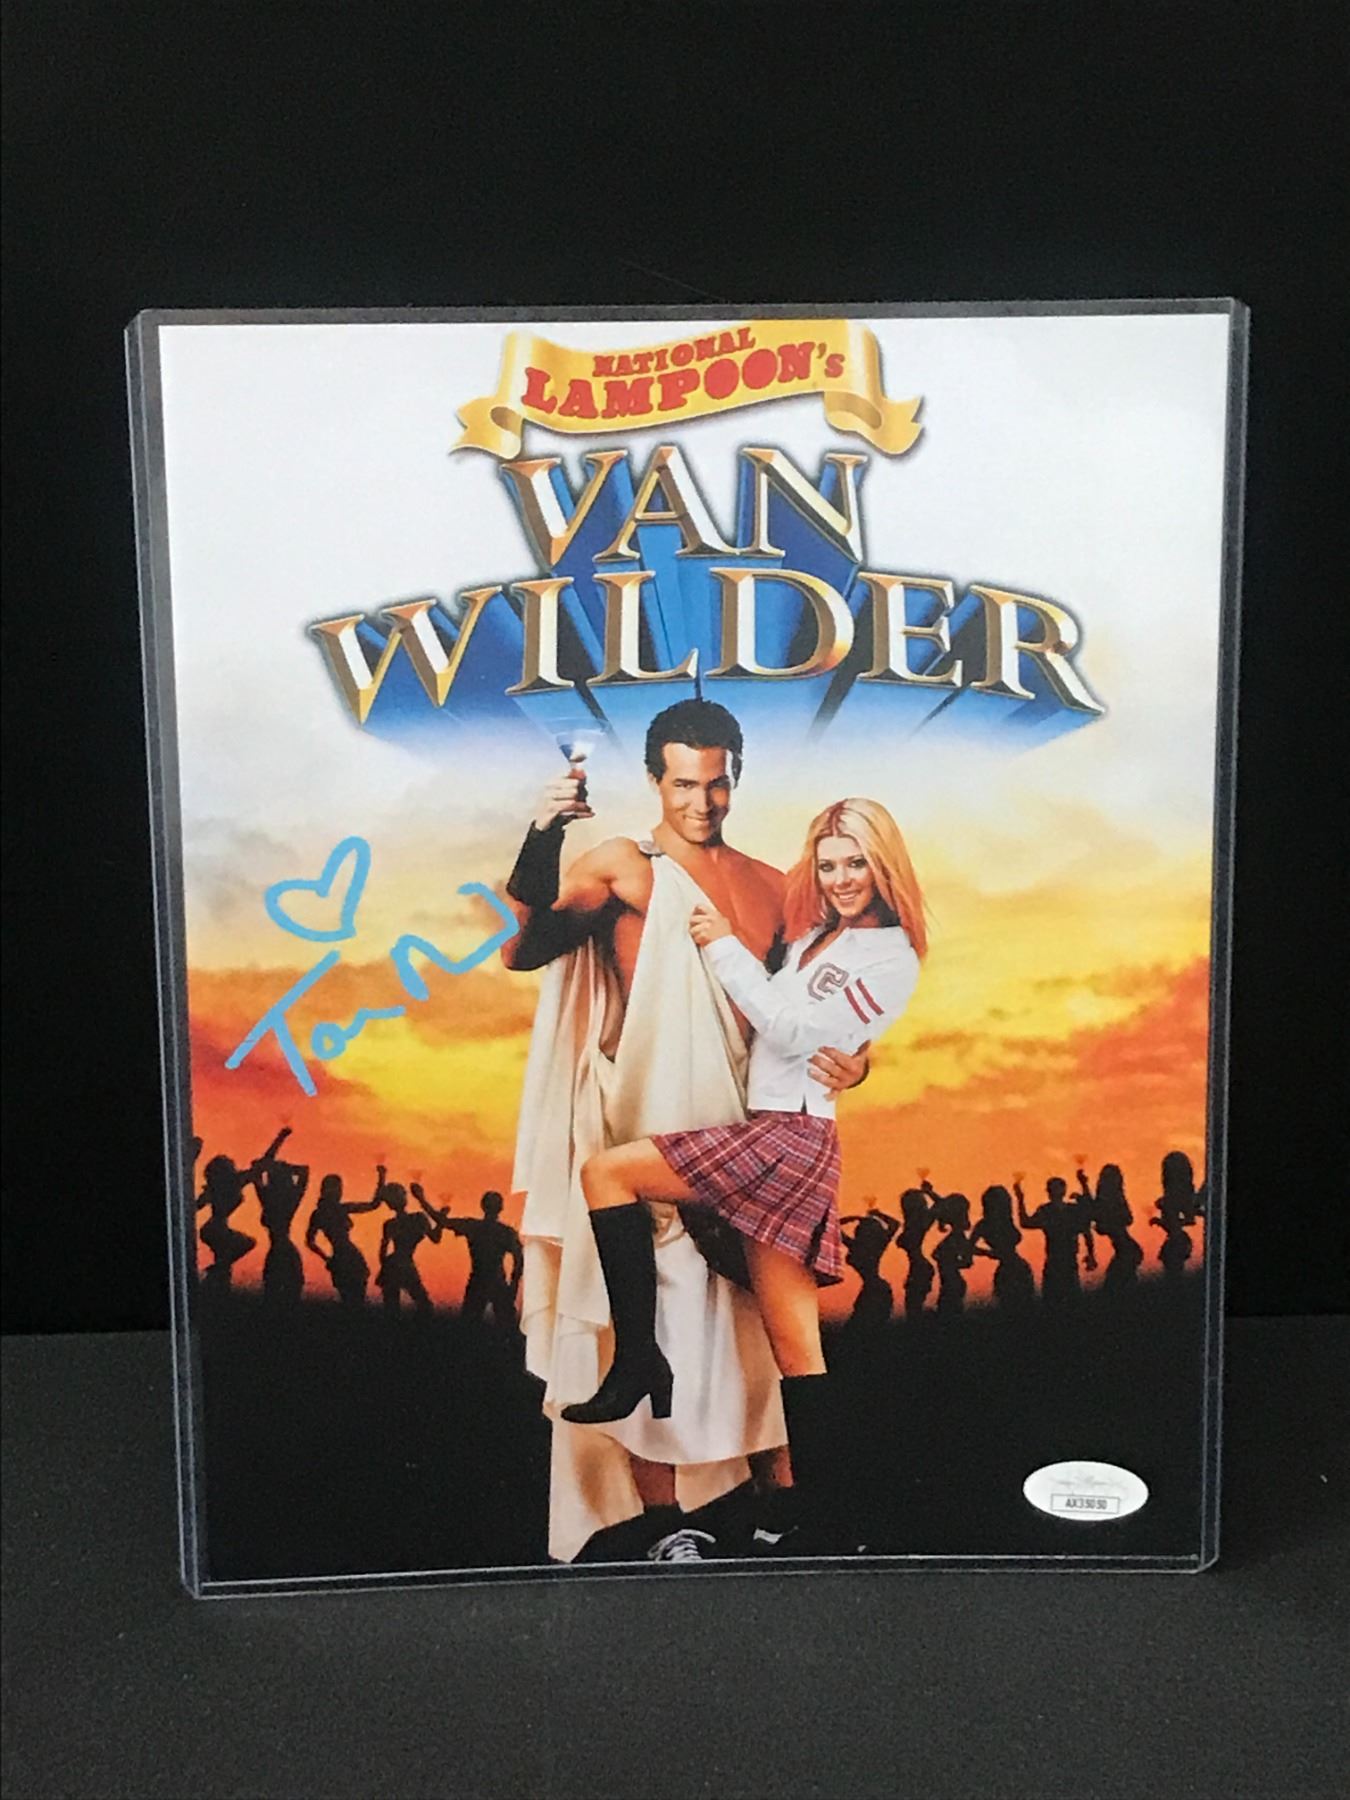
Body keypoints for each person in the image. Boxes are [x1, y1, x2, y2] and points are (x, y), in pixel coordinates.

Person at [503, 699, 869, 1563]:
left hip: (749, 1117)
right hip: (648, 1108)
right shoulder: (625, 866)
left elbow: (822, 1014)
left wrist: (855, 1065)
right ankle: (668, 1523)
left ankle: (781, 1508)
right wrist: (542, 834)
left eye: (716, 785)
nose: (701, 802)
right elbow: (530, 946)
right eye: (682, 785)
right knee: (656, 1310)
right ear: (653, 781)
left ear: (736, 777)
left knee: (752, 1314)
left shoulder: (779, 888)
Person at [561, 798, 925, 1549]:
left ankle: (638, 1364)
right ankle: (828, 1526)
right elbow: (803, 1031)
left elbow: (791, 1030)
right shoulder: (819, 937)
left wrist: (723, 947)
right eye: (829, 865)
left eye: (856, 863)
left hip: (788, 1140)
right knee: (797, 1352)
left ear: (884, 866)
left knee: (609, 1175)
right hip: (776, 1130)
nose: (841, 879)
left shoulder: (893, 956)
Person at [439, 1191, 523, 1328]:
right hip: (496, 1281)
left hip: (480, 1280)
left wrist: (422, 1199)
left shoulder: (473, 1226)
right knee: (506, 1325)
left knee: (470, 1325)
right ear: (501, 1208)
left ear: (483, 1206)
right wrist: (514, 1284)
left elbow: (443, 1222)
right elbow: (519, 1260)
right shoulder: (506, 1232)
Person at [305, 1169, 387, 1307]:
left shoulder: (319, 1213)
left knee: (349, 1299)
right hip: (348, 1255)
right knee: (356, 1299)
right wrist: (382, 1177)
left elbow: (310, 1241)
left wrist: (327, 1258)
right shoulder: (340, 1209)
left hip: (338, 1257)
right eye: (338, 1189)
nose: (340, 1192)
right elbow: (373, 1205)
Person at [1015, 1174, 1096, 1306]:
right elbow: (1026, 1223)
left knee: (1065, 1300)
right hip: (1056, 1261)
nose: (1051, 1191)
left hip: (1065, 1261)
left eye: (1053, 1188)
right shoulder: (1049, 1211)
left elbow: (1086, 1228)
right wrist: (1020, 1199)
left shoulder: (1063, 1211)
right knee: (1058, 1300)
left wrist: (1091, 1254)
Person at [375, 1177, 446, 1314]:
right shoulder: (418, 1218)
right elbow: (435, 1238)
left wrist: (385, 1267)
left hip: (392, 1265)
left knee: (392, 1307)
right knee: (423, 1305)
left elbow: (383, 1251)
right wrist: (441, 1220)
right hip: (404, 1264)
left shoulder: (391, 1224)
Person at [1075, 1162, 1143, 1293]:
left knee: (1114, 1287)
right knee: (1123, 1286)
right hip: (1128, 1249)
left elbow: (1095, 1211)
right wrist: (1083, 1185)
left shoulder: (1113, 1201)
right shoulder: (1117, 1199)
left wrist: (1083, 1187)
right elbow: (1096, 1210)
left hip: (1125, 1250)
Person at [839, 1196, 901, 1332]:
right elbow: (895, 1224)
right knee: (869, 1328)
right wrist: (877, 1214)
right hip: (876, 1288)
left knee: (860, 1328)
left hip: (873, 1289)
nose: (857, 1228)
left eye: (860, 1227)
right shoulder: (876, 1244)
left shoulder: (858, 1246)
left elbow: (834, 1228)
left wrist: (850, 1218)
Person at [969, 1183, 1035, 1311]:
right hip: (1013, 1269)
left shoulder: (1002, 1221)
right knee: (1017, 1305)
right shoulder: (989, 1224)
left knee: (1016, 1306)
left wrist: (989, 1253)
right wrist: (988, 1253)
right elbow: (968, 1247)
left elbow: (969, 1247)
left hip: (1016, 1268)